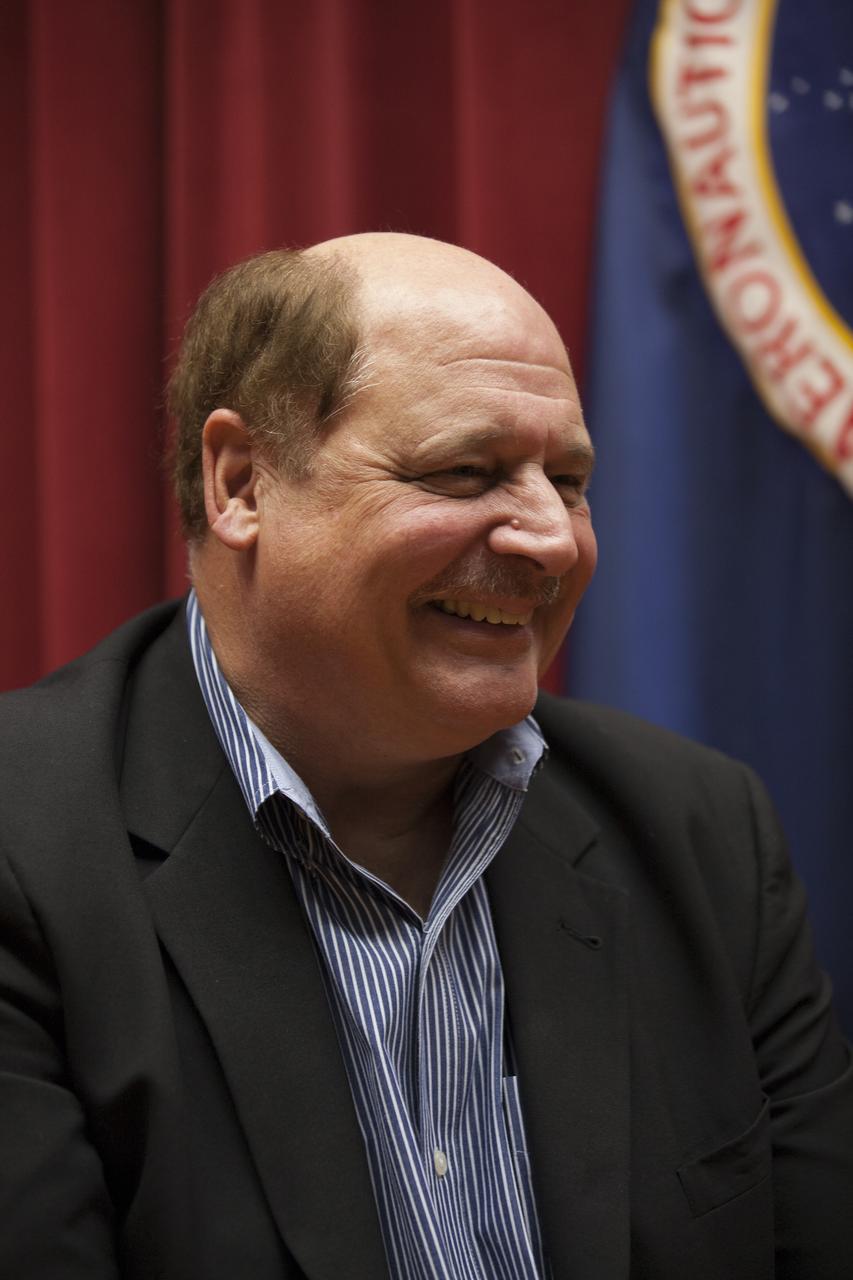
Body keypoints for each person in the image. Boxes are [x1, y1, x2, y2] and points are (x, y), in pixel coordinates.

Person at [1, 233, 851, 1280]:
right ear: (242, 483)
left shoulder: (699, 830)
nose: (551, 539)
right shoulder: (26, 849)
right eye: (463, 471)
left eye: (568, 480)